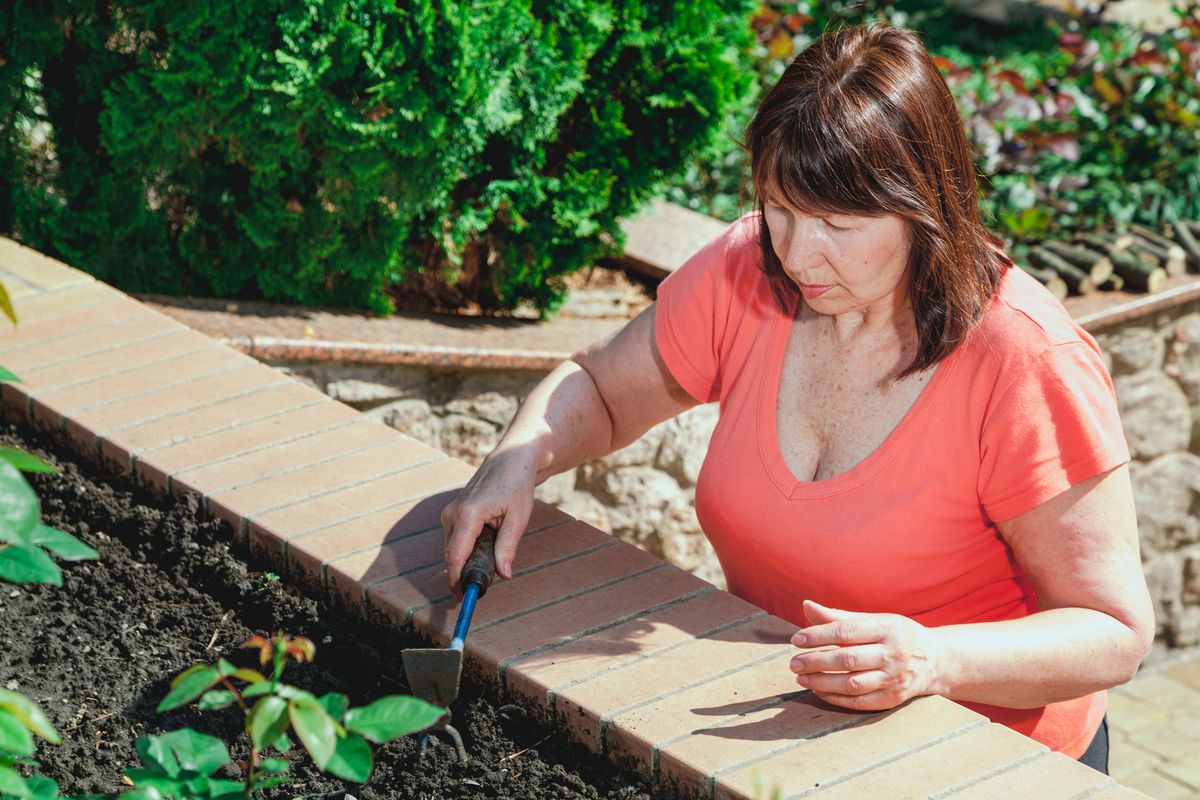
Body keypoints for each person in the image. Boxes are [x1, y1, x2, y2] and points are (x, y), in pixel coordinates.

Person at [440, 23, 1154, 773]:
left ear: (924, 209)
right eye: (780, 207)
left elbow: (1112, 631)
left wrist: (932, 659)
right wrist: (517, 459)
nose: (797, 252)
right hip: (803, 743)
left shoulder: (1025, 360)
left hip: (992, 761)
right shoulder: (746, 272)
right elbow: (601, 389)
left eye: (838, 225)